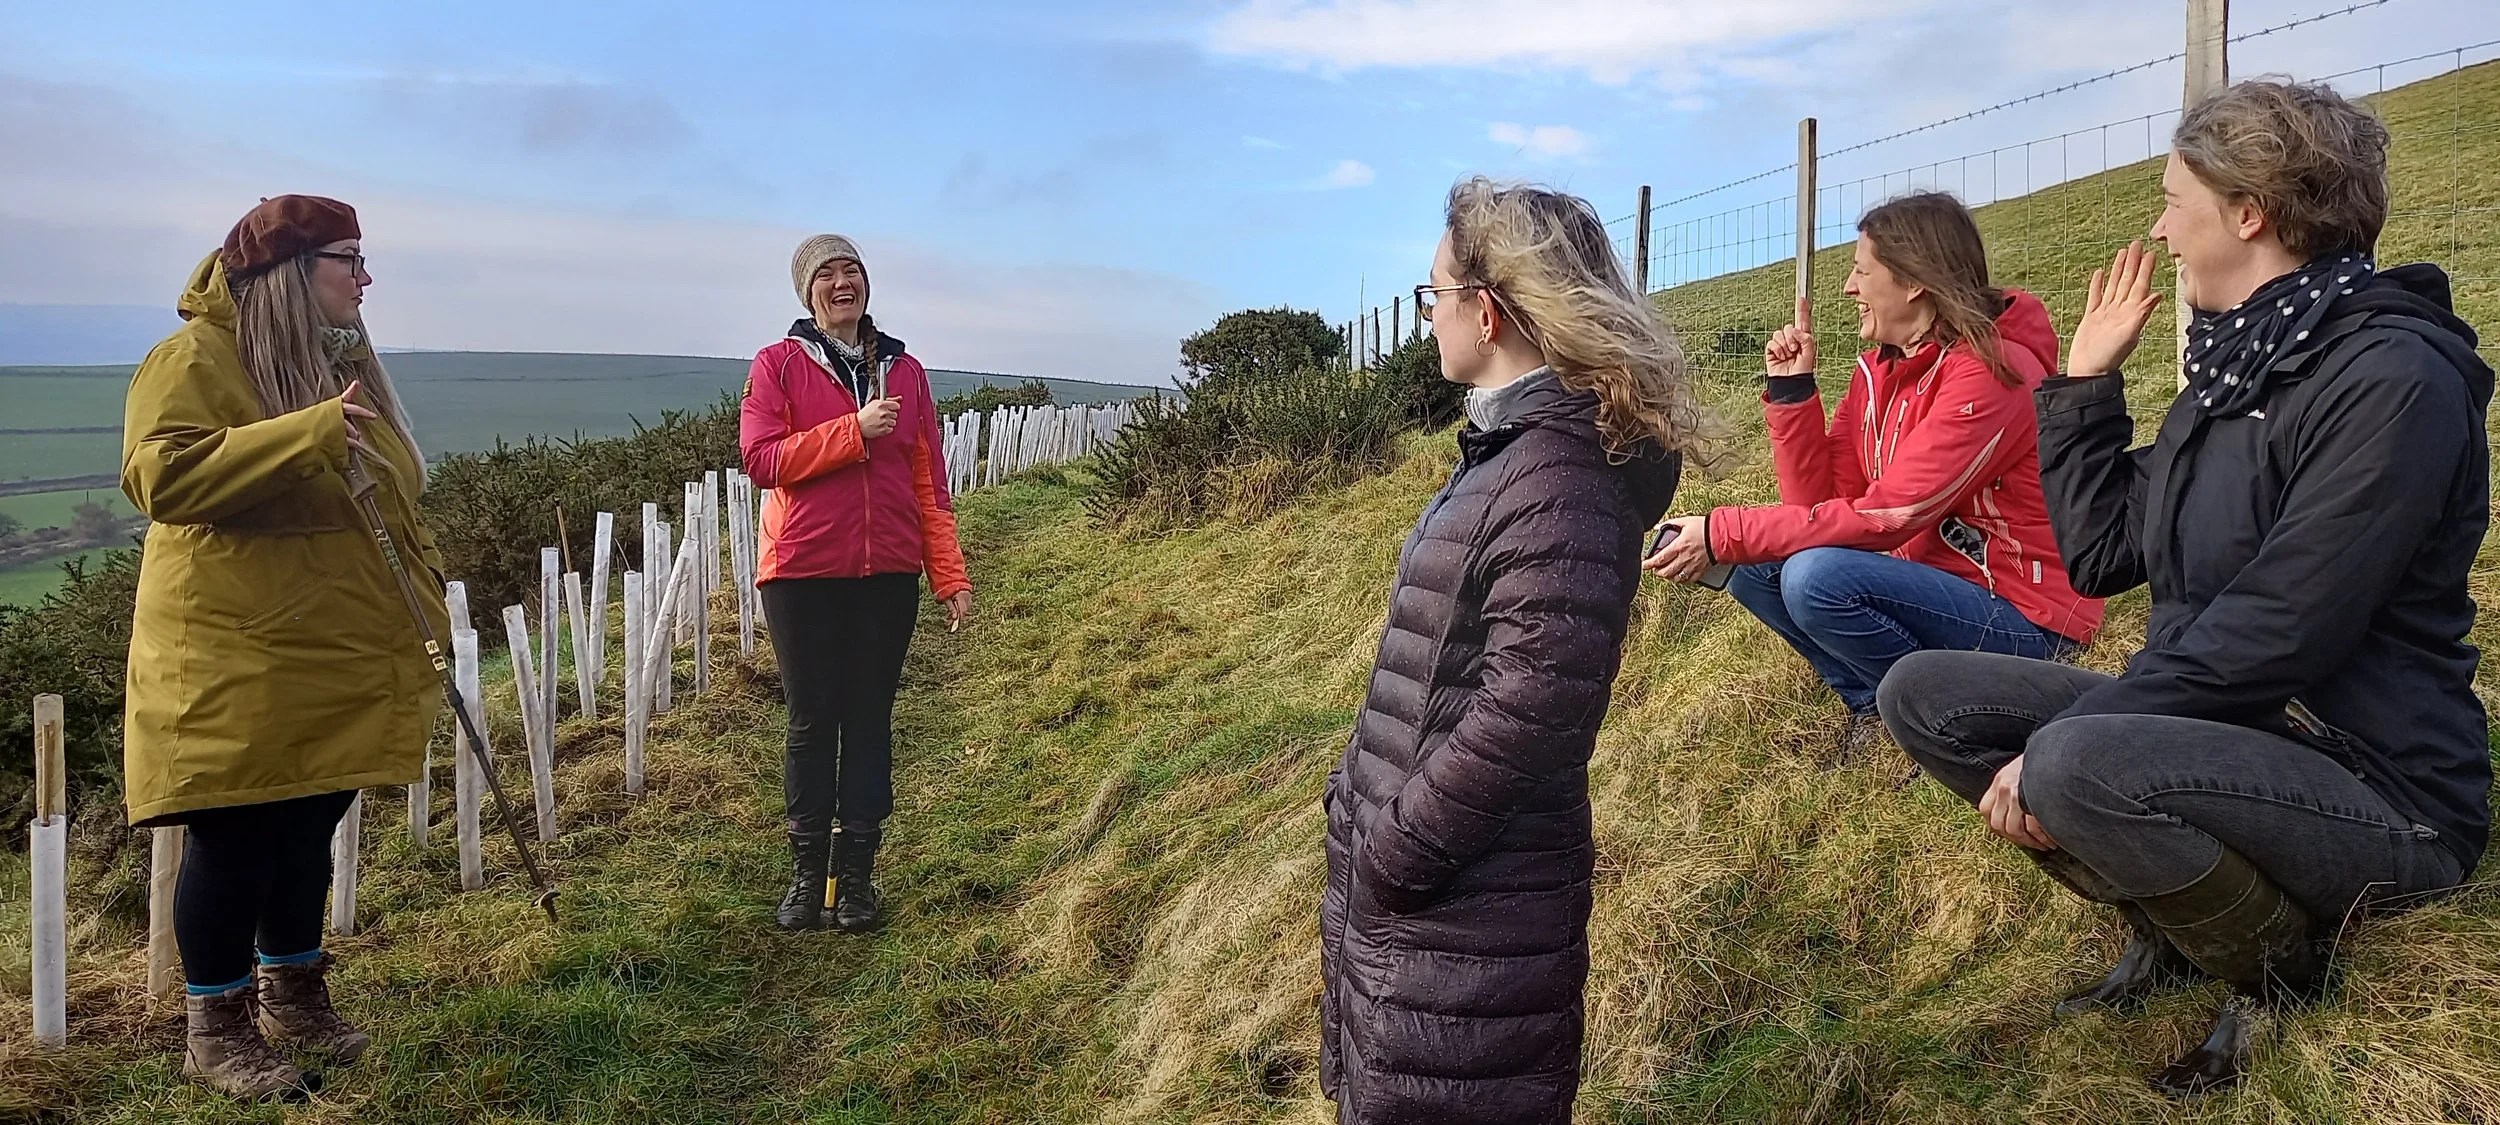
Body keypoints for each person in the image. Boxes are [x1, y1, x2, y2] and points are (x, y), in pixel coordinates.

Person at [1878, 78, 2490, 1096]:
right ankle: (2175, 923)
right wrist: (2083, 385)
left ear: (2247, 213)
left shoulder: (2391, 382)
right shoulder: (2244, 367)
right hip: (2242, 731)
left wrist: (2076, 739)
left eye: (2172, 201)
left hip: (2380, 785)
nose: (2159, 231)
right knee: (1923, 693)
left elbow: (2283, 626)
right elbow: (2105, 552)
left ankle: (2275, 974)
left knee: (2074, 759)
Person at [1320, 178, 1706, 1124]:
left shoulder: (1555, 475)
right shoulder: (1514, 451)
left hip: (1467, 906)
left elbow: (1536, 703)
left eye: (1434, 295)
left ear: (1486, 313)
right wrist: (1358, 795)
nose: (1430, 317)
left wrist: (1398, 845)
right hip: (1439, 909)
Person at [121, 195, 445, 1100]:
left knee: (308, 822)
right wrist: (306, 435)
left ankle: (296, 996)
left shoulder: (334, 360)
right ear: (293, 272)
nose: (366, 279)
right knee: (237, 834)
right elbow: (159, 475)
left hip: (330, 644)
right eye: (350, 259)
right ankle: (215, 1028)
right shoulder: (193, 357)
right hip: (238, 649)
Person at [1645, 192, 2102, 761]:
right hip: (1940, 585)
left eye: (1862, 271)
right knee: (1760, 565)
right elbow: (1816, 504)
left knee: (1814, 577)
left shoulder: (1992, 374)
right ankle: (1874, 706)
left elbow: (1891, 516)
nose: (1849, 287)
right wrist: (1792, 392)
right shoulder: (1881, 371)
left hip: (2027, 619)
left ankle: (1933, 716)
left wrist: (1721, 531)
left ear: (1912, 282)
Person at [740, 234, 972, 934]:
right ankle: (808, 876)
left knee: (869, 718)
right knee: (813, 720)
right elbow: (761, 459)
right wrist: (853, 431)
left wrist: (949, 574)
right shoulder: (777, 365)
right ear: (807, 292)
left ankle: (859, 878)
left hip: (887, 573)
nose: (843, 283)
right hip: (801, 572)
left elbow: (929, 480)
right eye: (827, 275)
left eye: (853, 271)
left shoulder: (907, 371)